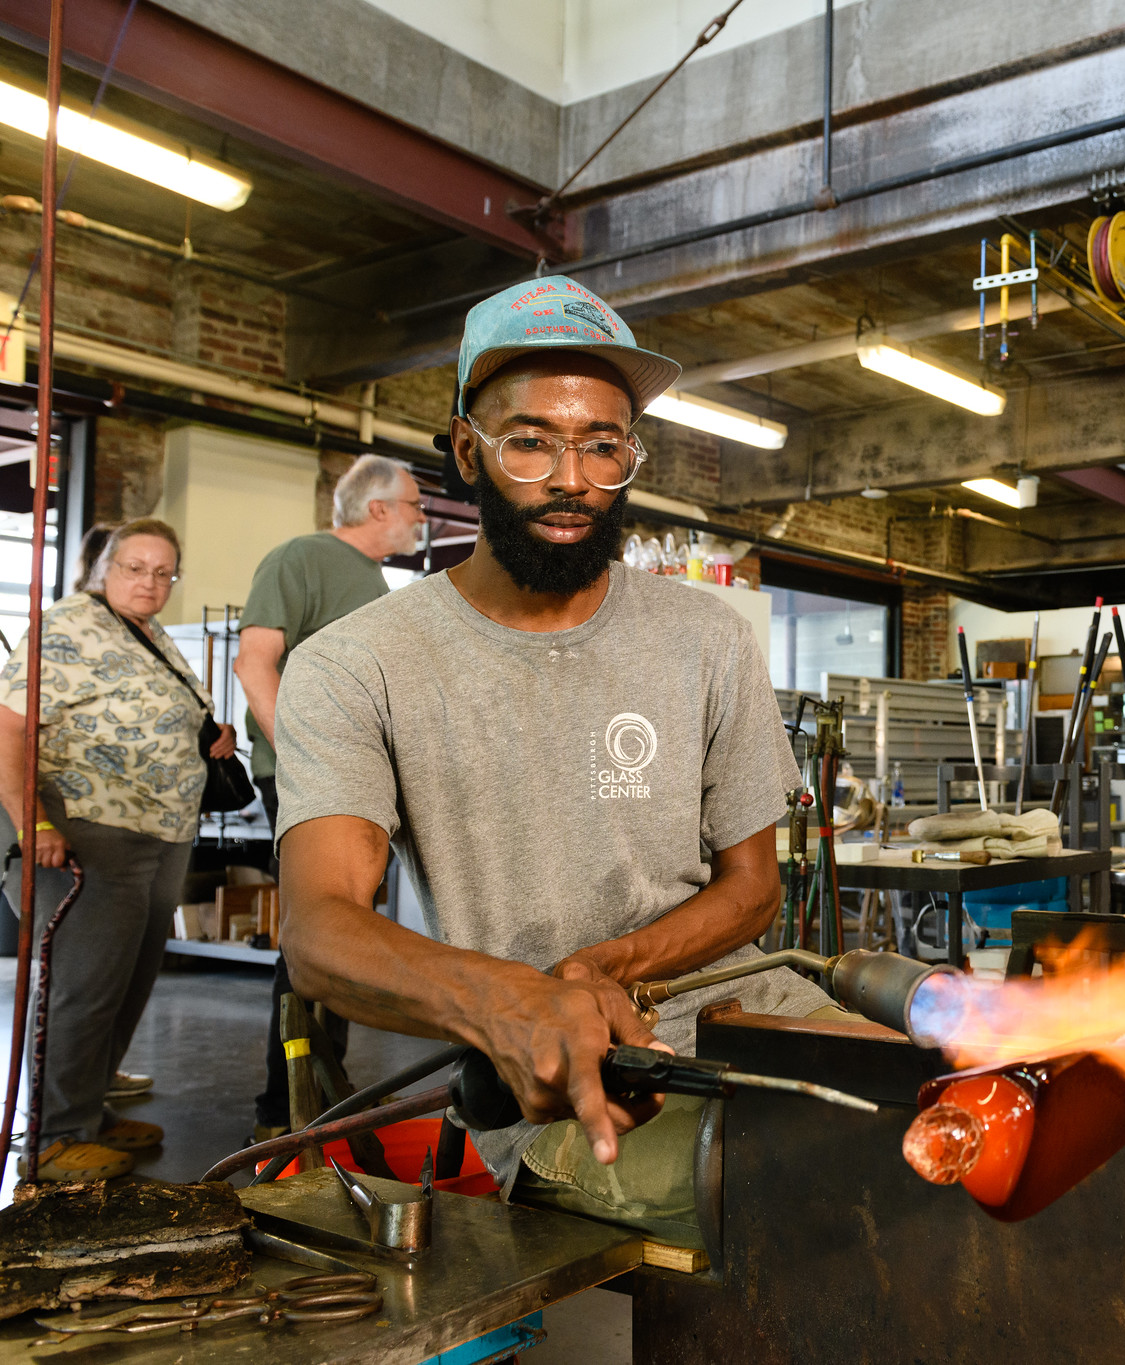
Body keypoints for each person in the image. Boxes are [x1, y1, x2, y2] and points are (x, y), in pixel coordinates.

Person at [274, 276, 828, 1250]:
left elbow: (753, 889)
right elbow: (320, 933)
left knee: (957, 1122)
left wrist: (607, 961)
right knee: (814, 1193)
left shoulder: (705, 637)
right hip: (555, 1075)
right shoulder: (355, 666)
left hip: (756, 1004)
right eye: (529, 440)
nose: (572, 478)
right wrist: (518, 998)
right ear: (465, 451)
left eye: (602, 446)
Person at [0, 518, 239, 1180]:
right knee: (84, 982)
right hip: (89, 827)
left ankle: (90, 1107)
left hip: (161, 831)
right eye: (136, 567)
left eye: (164, 572)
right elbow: (9, 726)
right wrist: (34, 826)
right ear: (104, 567)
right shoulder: (67, 625)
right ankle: (54, 1136)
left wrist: (206, 731)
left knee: (127, 981)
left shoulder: (151, 633)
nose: (151, 582)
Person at [235, 453, 423, 1142]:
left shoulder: (376, 581)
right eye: (413, 507)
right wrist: (302, 758)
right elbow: (254, 660)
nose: (420, 519)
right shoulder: (301, 557)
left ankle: (318, 1092)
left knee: (345, 931)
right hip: (309, 773)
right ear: (378, 509)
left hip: (355, 777)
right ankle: (282, 1107)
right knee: (319, 930)